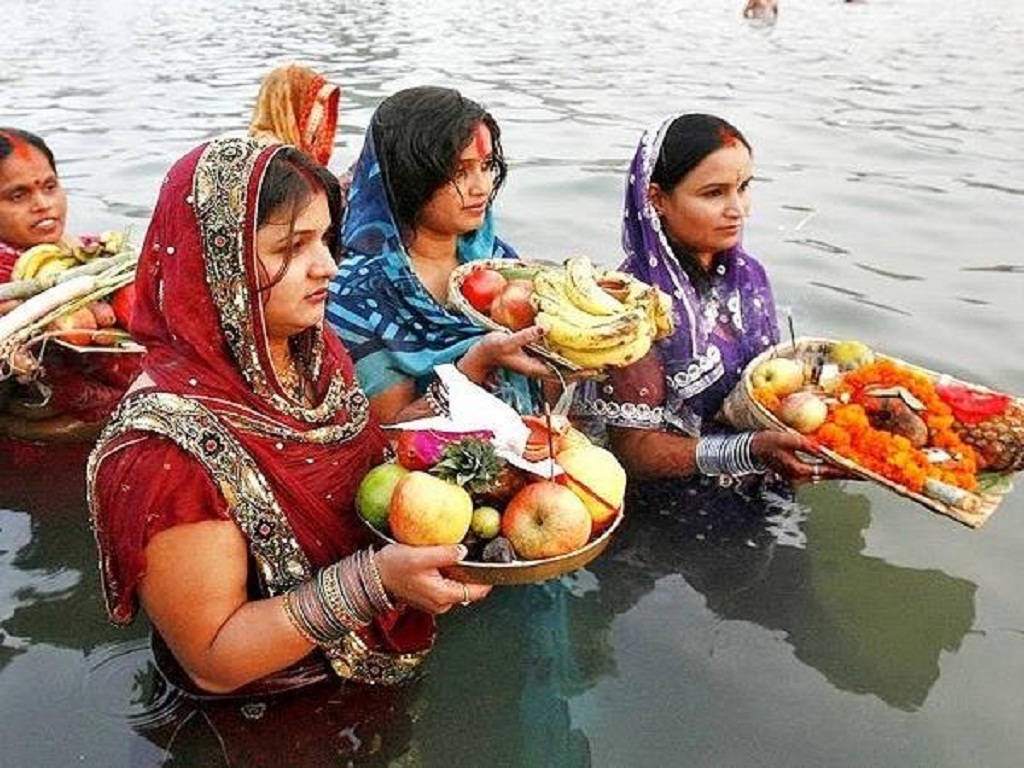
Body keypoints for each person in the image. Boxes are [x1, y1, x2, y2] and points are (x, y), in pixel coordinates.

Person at [87, 137, 492, 705]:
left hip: (365, 679)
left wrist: (477, 401)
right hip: (265, 716)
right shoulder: (163, 449)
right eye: (290, 247)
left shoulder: (308, 349)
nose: (327, 266)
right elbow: (214, 659)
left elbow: (366, 466)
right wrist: (374, 583)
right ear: (218, 264)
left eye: (326, 240)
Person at [576, 113, 842, 485]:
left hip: (763, 478)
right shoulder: (634, 305)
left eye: (744, 187)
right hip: (673, 509)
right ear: (657, 199)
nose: (739, 210)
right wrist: (745, 451)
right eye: (714, 193)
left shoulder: (748, 277)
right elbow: (634, 451)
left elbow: (767, 387)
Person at [326, 86, 552, 424]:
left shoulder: (496, 260)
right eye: (459, 172)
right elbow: (389, 434)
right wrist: (476, 363)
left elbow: (540, 393)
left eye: (487, 165)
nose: (482, 187)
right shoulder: (358, 293)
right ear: (409, 177)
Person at [0, 128, 139, 442]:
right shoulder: (9, 279)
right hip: (40, 454)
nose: (43, 204)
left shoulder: (88, 254)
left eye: (50, 187)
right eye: (17, 195)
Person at [248, 63, 340, 167]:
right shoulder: (281, 159)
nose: (322, 115)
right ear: (291, 105)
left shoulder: (253, 146)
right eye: (317, 105)